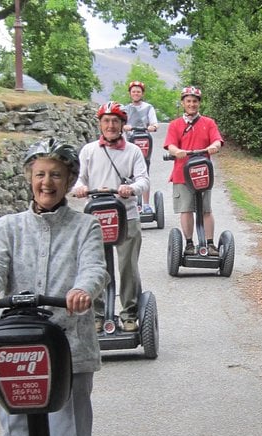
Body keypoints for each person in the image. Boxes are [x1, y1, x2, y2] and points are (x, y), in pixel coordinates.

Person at [0, 138, 109, 436]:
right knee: (16, 433)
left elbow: (95, 268)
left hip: (69, 345)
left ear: (69, 180)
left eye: (56, 175)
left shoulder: (86, 227)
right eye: (40, 174)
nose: (47, 183)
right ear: (29, 178)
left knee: (68, 434)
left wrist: (83, 290)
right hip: (16, 346)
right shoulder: (8, 227)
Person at [72, 101, 150, 333]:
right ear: (100, 124)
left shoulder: (133, 151)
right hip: (95, 216)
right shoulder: (88, 151)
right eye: (106, 120)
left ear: (123, 124)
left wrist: (132, 189)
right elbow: (78, 178)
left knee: (128, 266)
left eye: (115, 121)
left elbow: (143, 180)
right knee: (97, 267)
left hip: (126, 215)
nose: (111, 125)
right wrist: (80, 188)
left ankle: (129, 313)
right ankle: (97, 314)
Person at [163, 86, 223, 257]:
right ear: (183, 103)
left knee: (206, 209)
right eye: (188, 101)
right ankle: (189, 244)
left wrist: (213, 146)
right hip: (182, 174)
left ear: (199, 103)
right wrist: (176, 152)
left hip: (203, 173)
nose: (191, 104)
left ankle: (210, 244)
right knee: (186, 209)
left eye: (195, 101)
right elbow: (171, 145)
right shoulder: (175, 125)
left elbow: (217, 140)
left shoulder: (208, 123)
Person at [122, 80, 159, 214]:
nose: (136, 93)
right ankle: (131, 204)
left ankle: (146, 204)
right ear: (130, 93)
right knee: (129, 173)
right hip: (130, 143)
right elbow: (121, 123)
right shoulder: (125, 109)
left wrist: (153, 127)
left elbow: (155, 123)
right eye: (134, 91)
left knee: (145, 172)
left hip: (144, 142)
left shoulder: (148, 107)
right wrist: (123, 126)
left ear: (142, 93)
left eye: (138, 91)